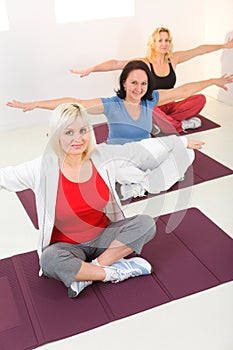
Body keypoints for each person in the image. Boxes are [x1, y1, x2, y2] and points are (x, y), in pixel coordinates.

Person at [0, 103, 158, 298]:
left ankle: (89, 273)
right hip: (67, 247)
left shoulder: (101, 157)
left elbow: (136, 150)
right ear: (56, 136)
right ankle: (112, 272)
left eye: (83, 130)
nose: (78, 138)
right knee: (49, 260)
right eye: (69, 132)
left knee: (146, 224)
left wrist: (181, 144)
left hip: (103, 237)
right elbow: (4, 177)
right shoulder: (41, 167)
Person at [7, 60, 233, 143]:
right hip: (119, 155)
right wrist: (36, 104)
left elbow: (184, 89)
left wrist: (214, 80)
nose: (139, 89)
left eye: (143, 84)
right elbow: (76, 102)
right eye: (134, 83)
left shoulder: (150, 100)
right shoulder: (111, 104)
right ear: (124, 82)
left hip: (145, 150)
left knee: (185, 154)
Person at [70, 26, 233, 133]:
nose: (164, 44)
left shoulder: (173, 59)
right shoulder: (144, 63)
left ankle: (162, 124)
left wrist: (224, 46)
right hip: (152, 106)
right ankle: (179, 125)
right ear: (153, 43)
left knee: (200, 99)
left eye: (167, 40)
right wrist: (91, 69)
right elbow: (117, 63)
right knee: (149, 108)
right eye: (160, 40)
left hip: (169, 105)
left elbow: (199, 50)